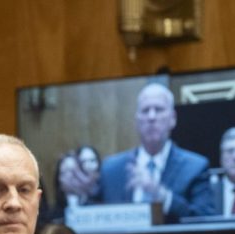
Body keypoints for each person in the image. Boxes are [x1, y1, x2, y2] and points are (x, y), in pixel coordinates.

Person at [63, 83, 213, 223]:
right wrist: (82, 194)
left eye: (159, 109)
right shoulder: (111, 169)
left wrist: (161, 195)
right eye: (145, 110)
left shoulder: (194, 168)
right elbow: (95, 216)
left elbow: (204, 220)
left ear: (172, 119)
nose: (151, 117)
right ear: (136, 121)